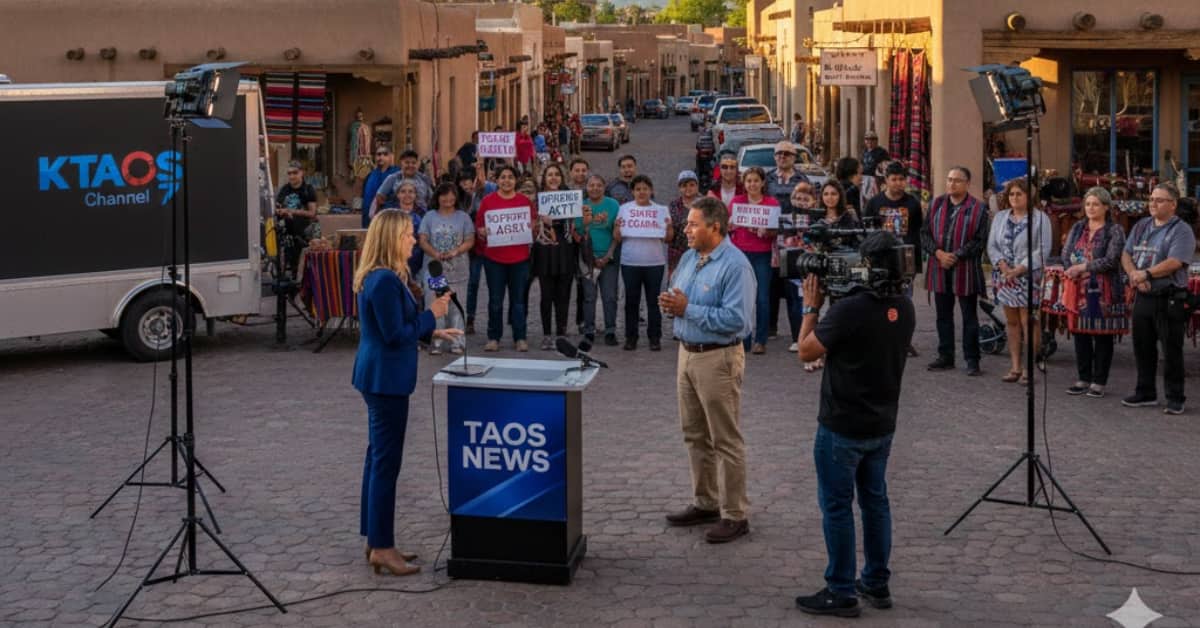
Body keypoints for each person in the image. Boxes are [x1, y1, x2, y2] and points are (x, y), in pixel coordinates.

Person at [794, 231, 916, 618]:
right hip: (881, 423)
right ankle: (876, 582)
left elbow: (806, 350)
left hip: (842, 425)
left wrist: (811, 307)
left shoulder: (850, 310)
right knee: (875, 502)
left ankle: (841, 589)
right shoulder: (905, 307)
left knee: (837, 506)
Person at [352, 209, 461, 577]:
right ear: (391, 238)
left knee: (377, 459)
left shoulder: (385, 276)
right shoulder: (383, 280)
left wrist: (432, 331)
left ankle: (376, 539)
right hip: (385, 379)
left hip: (381, 376)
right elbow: (395, 334)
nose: (413, 240)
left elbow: (399, 326)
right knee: (385, 463)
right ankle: (382, 547)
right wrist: (432, 313)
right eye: (408, 235)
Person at [657, 195, 755, 544]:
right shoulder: (689, 257)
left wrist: (687, 309)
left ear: (714, 227)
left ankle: (735, 514)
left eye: (693, 224)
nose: (685, 229)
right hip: (687, 353)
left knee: (725, 438)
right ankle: (706, 502)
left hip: (718, 358)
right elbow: (680, 295)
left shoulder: (735, 265)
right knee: (694, 433)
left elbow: (737, 320)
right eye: (687, 223)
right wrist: (671, 303)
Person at [1120, 183, 1194, 414]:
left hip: (1168, 297)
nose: (1153, 203)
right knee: (1142, 347)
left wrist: (1148, 273)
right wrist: (1134, 274)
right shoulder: (1141, 225)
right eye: (1151, 199)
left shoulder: (1182, 230)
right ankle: (1145, 392)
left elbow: (1175, 261)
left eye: (1159, 200)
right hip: (1143, 295)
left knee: (1171, 350)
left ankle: (1175, 397)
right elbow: (1126, 253)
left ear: (1173, 204)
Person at [921, 166, 988, 376]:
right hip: (939, 268)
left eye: (957, 180)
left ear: (967, 184)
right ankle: (946, 356)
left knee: (969, 317)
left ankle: (972, 360)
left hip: (965, 270)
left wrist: (956, 255)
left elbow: (979, 241)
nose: (952, 184)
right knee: (943, 316)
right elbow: (924, 234)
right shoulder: (936, 204)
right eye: (949, 179)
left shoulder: (978, 208)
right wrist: (939, 253)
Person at [1062, 187, 1127, 398]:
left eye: (1096, 204)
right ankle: (1083, 378)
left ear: (1106, 207)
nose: (1091, 208)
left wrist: (1083, 267)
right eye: (1088, 204)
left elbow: (1111, 259)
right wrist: (1071, 269)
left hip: (1104, 291)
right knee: (1080, 334)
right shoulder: (1078, 227)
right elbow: (1066, 253)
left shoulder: (1114, 230)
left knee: (1102, 336)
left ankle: (1099, 381)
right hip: (1078, 288)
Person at [985, 178, 1052, 384]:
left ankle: (1029, 369)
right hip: (1005, 276)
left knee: (1028, 322)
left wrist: (1020, 268)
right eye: (1012, 194)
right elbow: (992, 245)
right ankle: (1015, 366)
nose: (1014, 198)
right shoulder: (1001, 217)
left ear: (1029, 196)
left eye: (1019, 194)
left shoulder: (1040, 218)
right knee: (1012, 322)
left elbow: (1043, 249)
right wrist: (1002, 265)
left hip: (1028, 276)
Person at [475, 165, 538, 352]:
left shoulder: (525, 202)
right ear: (497, 180)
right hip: (494, 259)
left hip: (520, 259)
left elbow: (533, 226)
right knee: (495, 300)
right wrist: (482, 232)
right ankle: (494, 337)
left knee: (518, 301)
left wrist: (533, 227)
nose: (507, 180)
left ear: (516, 180)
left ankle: (520, 337)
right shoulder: (487, 201)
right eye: (503, 177)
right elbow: (479, 227)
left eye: (510, 177)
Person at [863, 161, 924, 357]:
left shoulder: (913, 203)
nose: (898, 183)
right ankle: (881, 339)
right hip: (880, 261)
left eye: (901, 179)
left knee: (904, 302)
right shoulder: (874, 203)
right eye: (894, 179)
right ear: (886, 180)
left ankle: (903, 340)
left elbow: (917, 232)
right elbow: (867, 232)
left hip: (905, 262)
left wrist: (916, 264)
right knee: (879, 301)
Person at [614, 175, 672, 351]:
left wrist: (669, 227)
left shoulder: (661, 211)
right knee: (631, 301)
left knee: (654, 302)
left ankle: (655, 337)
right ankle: (631, 337)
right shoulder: (624, 209)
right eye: (638, 189)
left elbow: (668, 239)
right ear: (632, 192)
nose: (641, 192)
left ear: (651, 190)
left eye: (645, 189)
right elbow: (618, 238)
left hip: (654, 263)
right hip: (630, 262)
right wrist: (616, 227)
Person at [418, 183, 475, 355]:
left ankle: (457, 342)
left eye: (451, 195)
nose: (448, 199)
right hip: (435, 271)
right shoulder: (429, 217)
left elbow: (470, 240)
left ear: (456, 197)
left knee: (457, 306)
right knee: (435, 304)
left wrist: (456, 251)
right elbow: (423, 240)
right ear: (437, 197)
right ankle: (435, 341)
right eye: (444, 195)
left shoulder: (463, 217)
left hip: (458, 270)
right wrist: (435, 253)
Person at [728, 167, 778, 354]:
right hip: (740, 254)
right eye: (749, 181)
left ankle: (761, 340)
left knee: (762, 298)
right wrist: (729, 225)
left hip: (762, 254)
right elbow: (727, 228)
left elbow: (776, 231)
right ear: (744, 182)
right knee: (742, 298)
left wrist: (768, 232)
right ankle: (744, 338)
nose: (752, 184)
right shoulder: (736, 202)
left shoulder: (771, 203)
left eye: (756, 180)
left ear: (763, 182)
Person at [531, 163, 578, 349]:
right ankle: (546, 335)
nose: (553, 178)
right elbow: (532, 227)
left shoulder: (570, 198)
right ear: (544, 178)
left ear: (561, 178)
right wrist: (540, 222)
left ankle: (561, 333)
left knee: (563, 294)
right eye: (549, 174)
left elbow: (576, 225)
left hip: (565, 248)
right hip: (545, 250)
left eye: (556, 174)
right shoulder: (538, 200)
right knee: (546, 295)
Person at [577, 174, 620, 346]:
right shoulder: (581, 206)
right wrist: (586, 223)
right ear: (586, 187)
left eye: (598, 185)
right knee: (589, 297)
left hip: (609, 258)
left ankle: (610, 331)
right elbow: (578, 234)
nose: (595, 188)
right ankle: (589, 331)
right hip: (588, 259)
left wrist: (608, 255)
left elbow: (617, 234)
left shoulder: (613, 205)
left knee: (610, 296)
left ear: (604, 187)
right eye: (591, 185)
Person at [274, 160, 319, 275]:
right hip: (287, 229)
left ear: (301, 173)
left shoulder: (308, 189)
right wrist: (281, 211)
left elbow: (312, 213)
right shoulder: (284, 189)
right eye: (289, 173)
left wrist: (292, 211)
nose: (292, 176)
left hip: (304, 230)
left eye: (295, 173)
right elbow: (277, 207)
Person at [372, 149, 434, 214]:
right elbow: (379, 197)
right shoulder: (393, 178)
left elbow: (431, 199)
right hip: (398, 216)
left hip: (421, 216)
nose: (410, 165)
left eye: (413, 163)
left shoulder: (423, 179)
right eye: (407, 163)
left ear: (417, 164)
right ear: (401, 163)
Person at [668, 170, 701, 275]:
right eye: (684, 185)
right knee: (676, 281)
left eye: (692, 185)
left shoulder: (705, 203)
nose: (688, 188)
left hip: (699, 252)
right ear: (679, 188)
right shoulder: (673, 205)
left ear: (697, 186)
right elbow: (670, 233)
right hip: (677, 253)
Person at [766, 141, 810, 213]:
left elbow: (808, 203)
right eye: (779, 153)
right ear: (774, 157)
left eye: (787, 153)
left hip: (795, 219)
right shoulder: (766, 178)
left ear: (794, 157)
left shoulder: (802, 179)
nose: (782, 156)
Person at [362, 146, 399, 228]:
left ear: (391, 156)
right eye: (379, 154)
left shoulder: (397, 173)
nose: (381, 157)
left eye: (385, 154)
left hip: (389, 216)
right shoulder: (370, 175)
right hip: (369, 218)